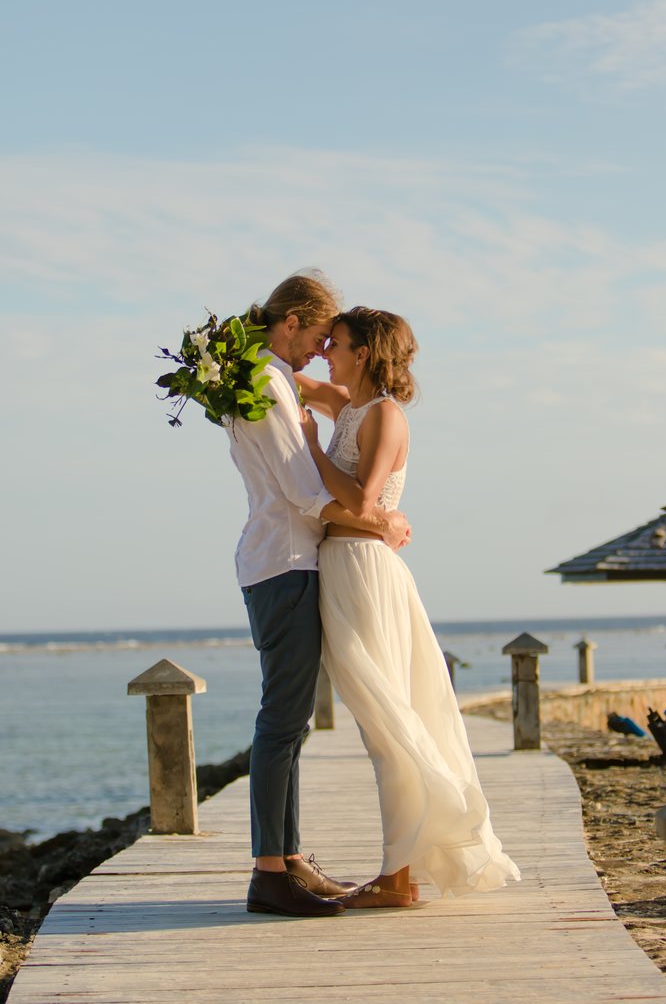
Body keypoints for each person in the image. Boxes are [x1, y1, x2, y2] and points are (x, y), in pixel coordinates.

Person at [298, 306, 521, 908]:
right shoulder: (349, 406)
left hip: (367, 572)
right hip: (342, 569)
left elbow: (363, 501)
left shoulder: (385, 416)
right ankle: (400, 871)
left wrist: (313, 449)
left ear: (365, 353)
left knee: (389, 722)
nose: (326, 352)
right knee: (382, 725)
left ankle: (399, 878)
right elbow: (289, 378)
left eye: (336, 343)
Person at [223, 275, 411, 918]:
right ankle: (269, 874)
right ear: (296, 320)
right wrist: (381, 521)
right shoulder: (267, 384)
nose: (320, 351)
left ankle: (289, 857)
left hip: (287, 560)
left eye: (334, 342)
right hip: (287, 561)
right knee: (282, 720)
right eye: (318, 338)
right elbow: (305, 492)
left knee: (291, 720)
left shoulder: (261, 378)